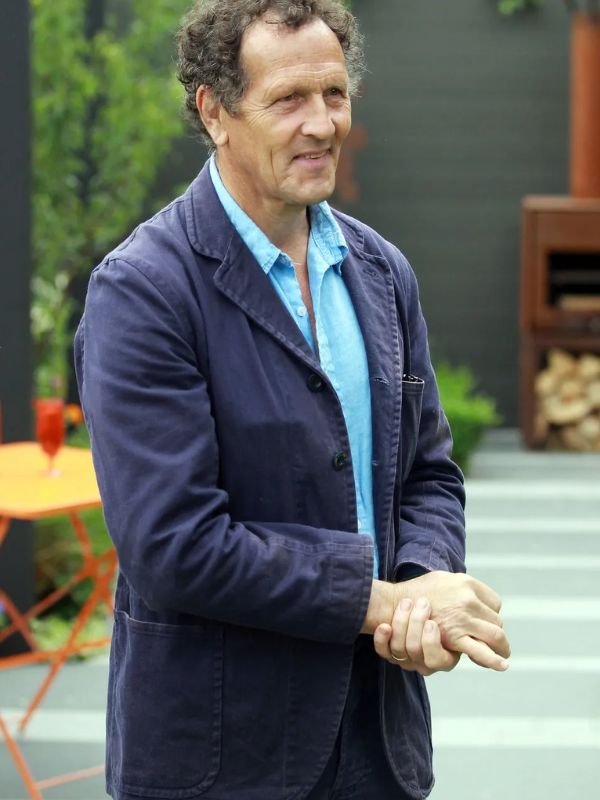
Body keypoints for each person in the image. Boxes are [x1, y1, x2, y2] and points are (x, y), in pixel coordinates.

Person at [74, 1, 510, 799]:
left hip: (379, 744)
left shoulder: (382, 272)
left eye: (335, 94)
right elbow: (174, 546)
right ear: (214, 112)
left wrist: (422, 586)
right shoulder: (143, 291)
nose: (322, 124)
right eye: (288, 100)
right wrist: (378, 602)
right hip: (219, 757)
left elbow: (426, 474)